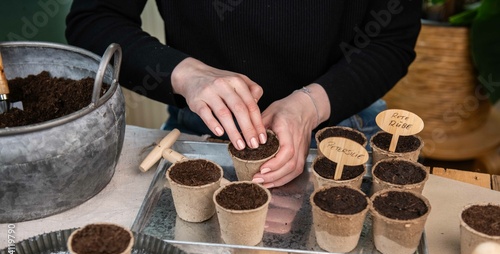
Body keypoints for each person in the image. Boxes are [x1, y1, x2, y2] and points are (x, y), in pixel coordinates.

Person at [66, 1, 422, 188]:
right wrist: (187, 74)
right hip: (202, 128)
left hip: (342, 126)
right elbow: (93, 20)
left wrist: (310, 106)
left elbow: (392, 39)